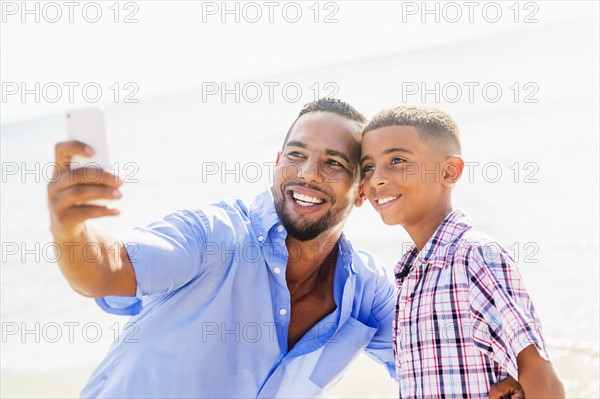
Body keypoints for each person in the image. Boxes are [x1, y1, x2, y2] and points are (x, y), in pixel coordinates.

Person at [47, 98, 522, 398]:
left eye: (334, 162)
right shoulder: (213, 234)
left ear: (362, 190)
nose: (308, 174)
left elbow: (432, 361)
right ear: (278, 162)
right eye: (296, 154)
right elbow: (104, 272)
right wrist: (69, 227)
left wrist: (511, 381)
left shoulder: (367, 292)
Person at [359, 105, 565, 398]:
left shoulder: (474, 258)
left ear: (449, 171)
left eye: (397, 160)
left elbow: (542, 380)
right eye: (367, 167)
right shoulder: (411, 275)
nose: (376, 178)